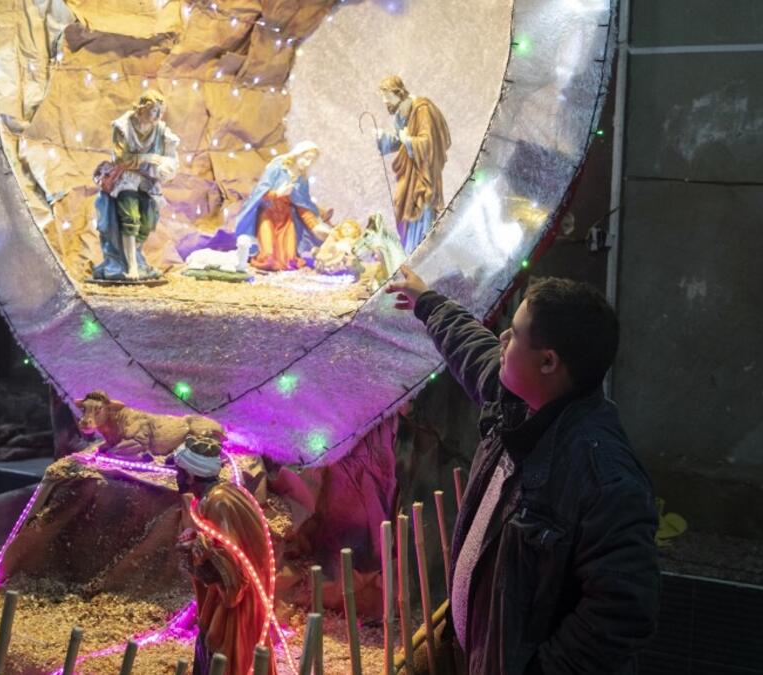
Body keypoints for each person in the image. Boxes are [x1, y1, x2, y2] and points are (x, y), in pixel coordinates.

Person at [386, 268, 659, 674]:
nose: (502, 338)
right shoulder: (519, 401)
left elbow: (623, 608)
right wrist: (427, 302)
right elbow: (472, 346)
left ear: (548, 362)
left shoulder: (604, 476)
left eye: (514, 333)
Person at [175, 435, 278, 675]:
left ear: (191, 475)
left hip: (237, 605)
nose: (177, 477)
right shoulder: (217, 496)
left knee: (229, 658)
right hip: (230, 597)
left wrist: (197, 549)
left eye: (180, 472)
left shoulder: (220, 502)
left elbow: (233, 570)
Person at [92, 89, 180, 281]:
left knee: (147, 222)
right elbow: (122, 159)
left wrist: (163, 166)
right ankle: (130, 267)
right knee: (130, 218)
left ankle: (131, 257)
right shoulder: (123, 126)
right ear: (141, 109)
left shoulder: (161, 131)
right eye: (153, 111)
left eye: (160, 111)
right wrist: (148, 157)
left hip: (148, 180)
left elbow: (171, 160)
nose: (157, 116)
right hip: (125, 179)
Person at [374, 76, 451, 254]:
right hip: (409, 172)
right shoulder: (400, 115)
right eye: (383, 97)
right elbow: (399, 141)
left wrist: (408, 141)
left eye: (387, 97)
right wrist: (383, 138)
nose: (385, 101)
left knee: (420, 208)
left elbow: (429, 143)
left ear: (399, 93)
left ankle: (419, 251)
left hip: (424, 174)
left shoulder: (422, 109)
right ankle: (409, 250)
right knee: (401, 202)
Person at [233, 141, 332, 272]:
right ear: (298, 154)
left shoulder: (301, 179)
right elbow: (259, 193)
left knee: (290, 260)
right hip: (268, 215)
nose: (308, 164)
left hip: (286, 219)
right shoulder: (278, 167)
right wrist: (277, 193)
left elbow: (302, 205)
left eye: (311, 161)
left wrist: (314, 226)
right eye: (307, 158)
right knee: (267, 257)